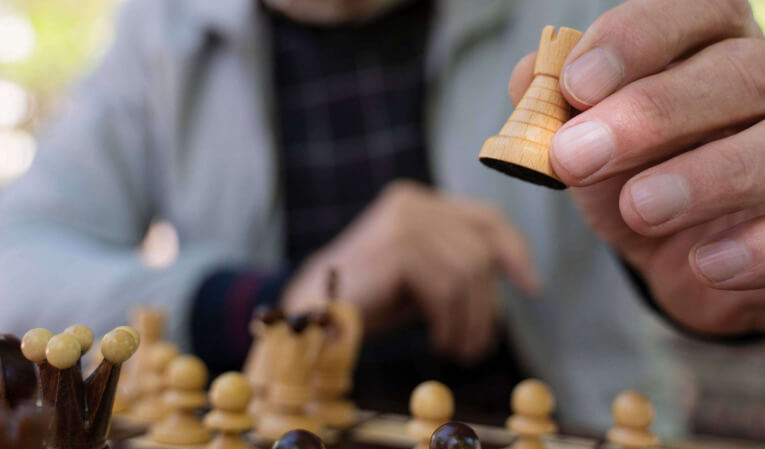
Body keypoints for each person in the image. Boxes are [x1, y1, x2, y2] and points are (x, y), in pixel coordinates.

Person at [2, 0, 762, 433]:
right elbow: (14, 256)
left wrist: (734, 280)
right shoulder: (163, 30)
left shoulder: (584, 10)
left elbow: (714, 249)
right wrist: (271, 298)